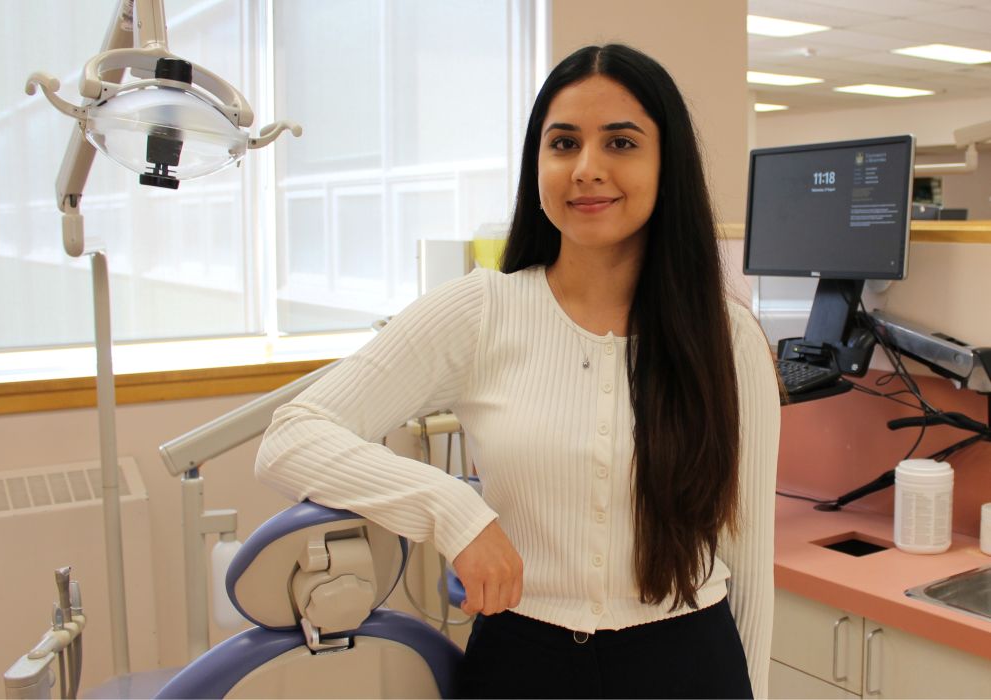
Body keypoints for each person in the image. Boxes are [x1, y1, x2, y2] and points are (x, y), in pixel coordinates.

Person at [255, 43, 780, 699]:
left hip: (689, 664)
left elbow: (751, 563)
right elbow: (291, 436)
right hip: (523, 662)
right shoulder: (481, 311)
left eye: (620, 143)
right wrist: (453, 511)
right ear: (538, 164)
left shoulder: (727, 339)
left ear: (666, 163)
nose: (587, 168)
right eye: (563, 144)